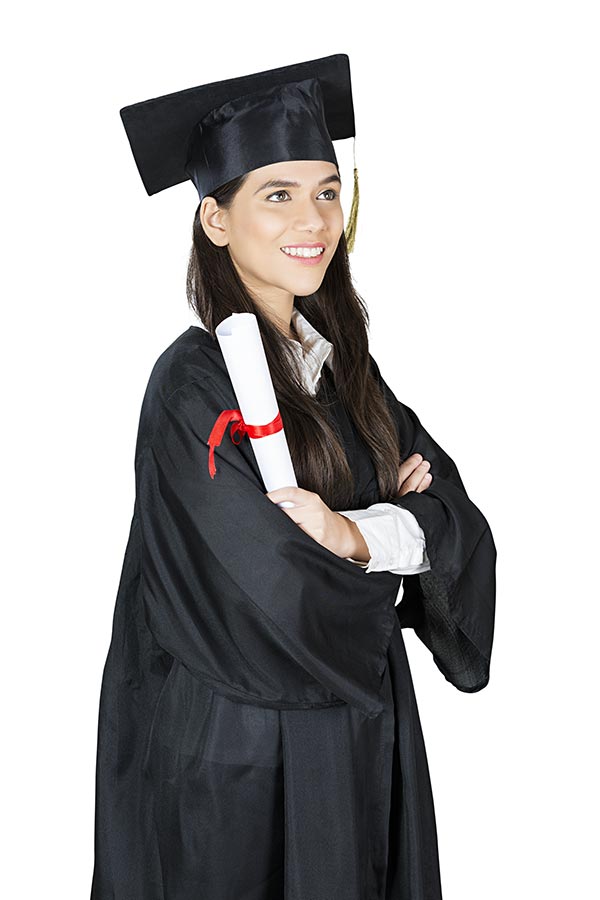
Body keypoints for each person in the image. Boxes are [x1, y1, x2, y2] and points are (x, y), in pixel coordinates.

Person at [91, 53, 497, 900]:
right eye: (277, 194)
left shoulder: (343, 368)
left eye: (325, 190)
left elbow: (459, 517)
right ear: (214, 219)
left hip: (355, 745)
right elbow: (266, 584)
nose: (313, 217)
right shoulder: (191, 387)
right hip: (238, 765)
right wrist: (397, 540)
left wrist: (353, 533)